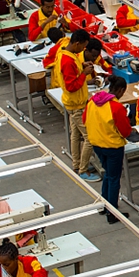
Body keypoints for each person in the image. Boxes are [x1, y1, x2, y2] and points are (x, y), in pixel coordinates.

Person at [85, 76, 134, 222]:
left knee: (107, 173)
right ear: (121, 90)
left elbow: (84, 119)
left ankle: (104, 204)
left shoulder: (92, 101)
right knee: (114, 178)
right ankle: (112, 213)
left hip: (96, 143)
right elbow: (125, 131)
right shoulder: (116, 107)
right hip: (112, 147)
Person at [53, 30, 99, 182]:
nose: (83, 50)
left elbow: (72, 70)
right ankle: (83, 170)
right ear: (77, 43)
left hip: (71, 102)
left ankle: (76, 164)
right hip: (76, 104)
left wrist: (81, 65)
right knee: (90, 137)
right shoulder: (67, 61)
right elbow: (72, 86)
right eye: (83, 46)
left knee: (75, 135)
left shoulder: (65, 53)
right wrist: (84, 73)